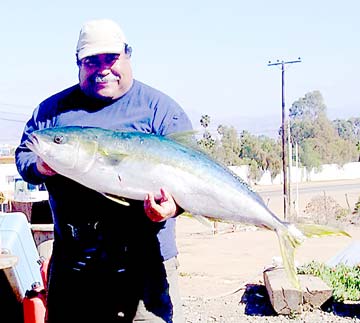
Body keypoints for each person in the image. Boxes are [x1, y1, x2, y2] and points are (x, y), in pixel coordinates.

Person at [15, 19, 192, 323]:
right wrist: (40, 166)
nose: (102, 69)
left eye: (111, 58)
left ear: (128, 55)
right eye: (91, 61)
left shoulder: (160, 111)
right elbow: (24, 155)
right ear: (78, 64)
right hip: (75, 268)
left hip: (145, 268)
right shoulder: (51, 112)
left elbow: (194, 182)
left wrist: (173, 207)